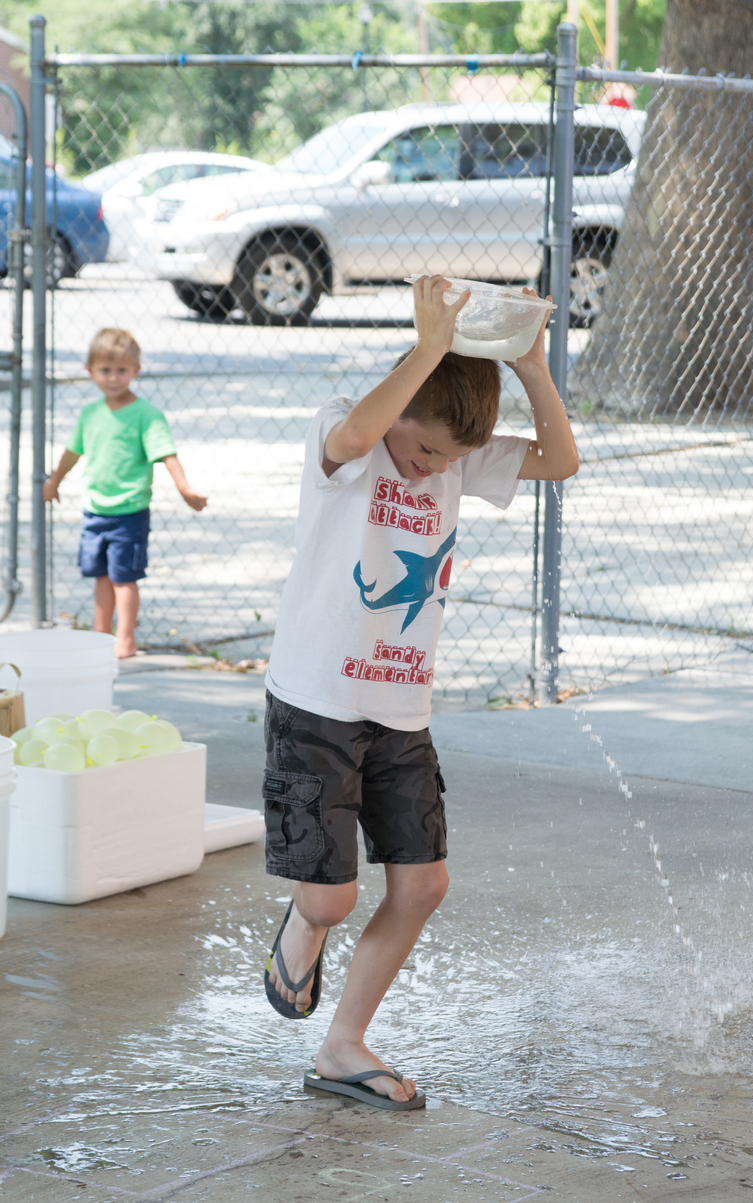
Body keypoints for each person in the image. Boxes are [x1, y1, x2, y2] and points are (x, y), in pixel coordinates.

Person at [263, 275, 579, 1111]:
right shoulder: (348, 433)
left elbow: (560, 460)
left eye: (447, 460)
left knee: (423, 885)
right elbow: (361, 432)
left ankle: (342, 1045)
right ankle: (304, 922)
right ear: (402, 403)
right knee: (330, 896)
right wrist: (429, 346)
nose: (435, 469)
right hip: (316, 701)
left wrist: (532, 367)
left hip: (400, 710)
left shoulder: (453, 455)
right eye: (428, 450)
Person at [43, 328, 207, 659]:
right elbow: (72, 452)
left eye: (121, 370)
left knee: (124, 579)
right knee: (101, 577)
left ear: (136, 370)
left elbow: (166, 453)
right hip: (95, 511)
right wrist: (54, 480)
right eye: (105, 370)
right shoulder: (90, 414)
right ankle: (100, 633)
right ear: (90, 371)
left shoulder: (147, 414)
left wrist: (184, 487)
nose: (113, 378)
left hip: (129, 513)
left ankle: (125, 639)